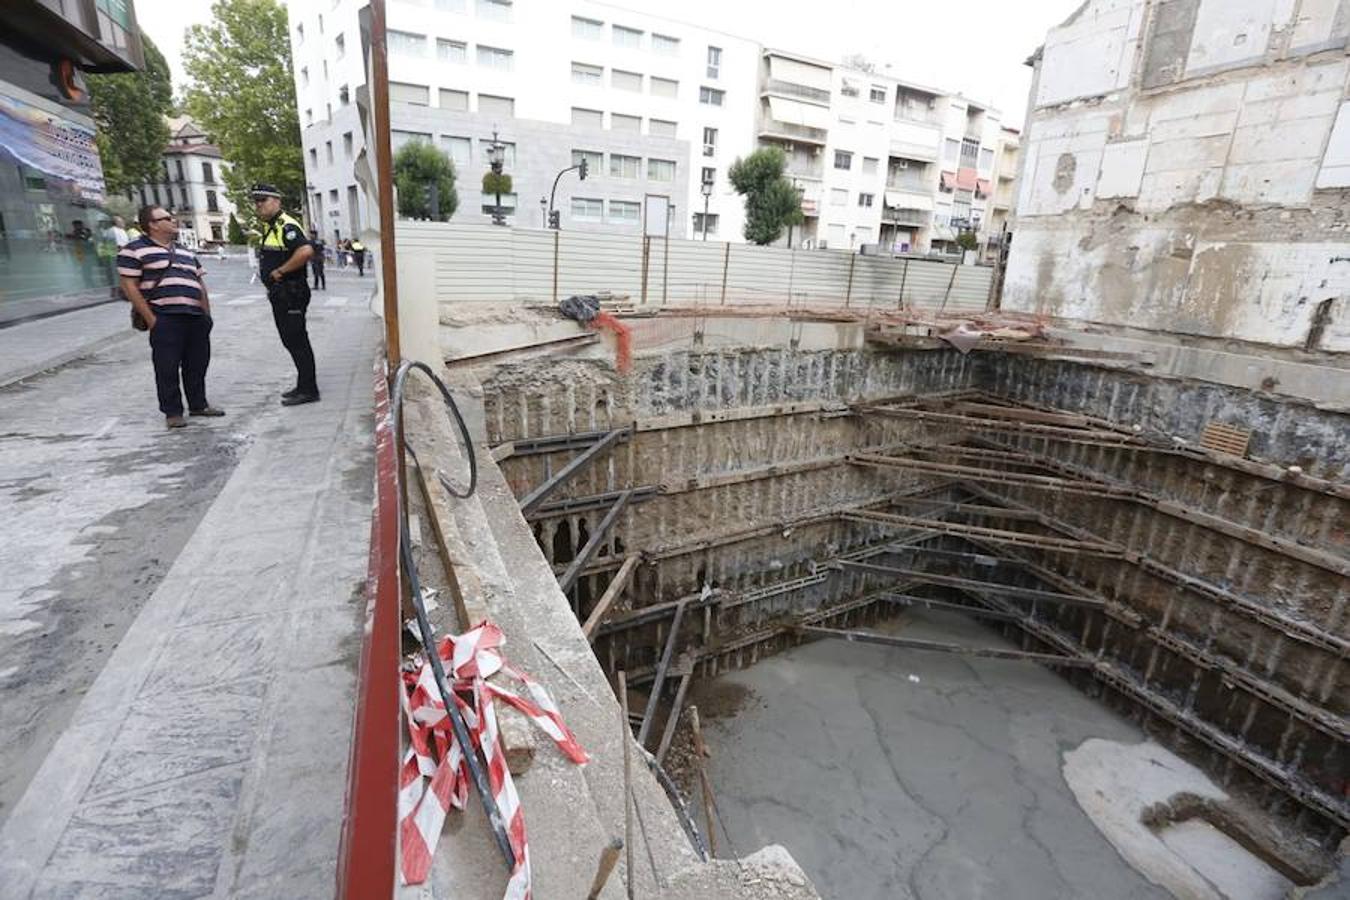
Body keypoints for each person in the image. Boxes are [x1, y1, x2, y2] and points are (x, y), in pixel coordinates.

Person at [118, 206, 224, 429]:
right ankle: (173, 411)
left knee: (197, 363)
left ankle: (198, 403)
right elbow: (129, 286)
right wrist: (151, 318)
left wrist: (206, 314)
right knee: (167, 365)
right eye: (166, 218)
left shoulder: (184, 250)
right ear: (152, 224)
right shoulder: (134, 250)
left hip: (194, 316)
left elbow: (199, 282)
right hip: (165, 316)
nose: (173, 220)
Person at [252, 183, 319, 405]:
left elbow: (306, 250)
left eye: (263, 200)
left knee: (297, 340)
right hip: (283, 294)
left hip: (291, 292)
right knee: (291, 340)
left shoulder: (286, 225)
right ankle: (303, 385)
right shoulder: (271, 227)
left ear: (277, 201)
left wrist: (280, 271)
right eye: (256, 201)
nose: (258, 205)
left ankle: (309, 390)